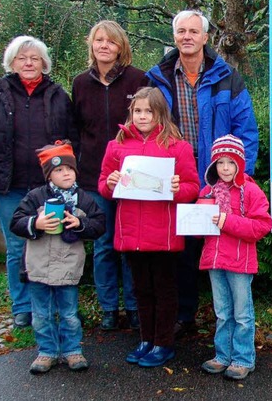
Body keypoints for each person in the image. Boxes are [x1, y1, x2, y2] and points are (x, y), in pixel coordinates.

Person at [146, 10, 259, 336]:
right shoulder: (158, 78)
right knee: (178, 246)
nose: (187, 36)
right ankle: (184, 314)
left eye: (194, 31)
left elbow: (247, 131)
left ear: (206, 37)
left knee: (216, 243)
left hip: (214, 177)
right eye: (181, 31)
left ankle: (225, 316)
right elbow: (144, 125)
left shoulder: (227, 77)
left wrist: (241, 178)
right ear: (174, 36)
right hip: (173, 175)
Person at [98, 87, 199, 368]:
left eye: (149, 111)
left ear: (160, 114)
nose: (143, 117)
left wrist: (178, 189)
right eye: (138, 111)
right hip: (131, 231)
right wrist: (108, 184)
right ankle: (146, 339)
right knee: (140, 289)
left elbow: (192, 187)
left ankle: (163, 343)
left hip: (164, 232)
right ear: (131, 113)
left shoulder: (178, 146)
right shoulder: (117, 145)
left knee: (165, 289)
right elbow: (104, 183)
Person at [0, 36, 79, 329]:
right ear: (11, 62)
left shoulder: (57, 95)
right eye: (22, 58)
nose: (28, 63)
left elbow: (71, 135)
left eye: (34, 58)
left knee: (51, 241)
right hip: (7, 184)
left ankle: (50, 302)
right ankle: (23, 307)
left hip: (47, 186)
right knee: (17, 245)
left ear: (44, 63)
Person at [72, 20, 148, 331]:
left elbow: (148, 123)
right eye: (98, 40)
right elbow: (75, 130)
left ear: (121, 47)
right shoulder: (79, 83)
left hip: (132, 176)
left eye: (111, 41)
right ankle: (108, 308)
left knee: (129, 243)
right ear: (91, 45)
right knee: (103, 245)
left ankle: (133, 306)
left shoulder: (137, 79)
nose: (104, 45)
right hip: (94, 177)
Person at [9, 140, 105, 374]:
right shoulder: (35, 197)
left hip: (68, 268)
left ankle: (72, 350)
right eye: (59, 170)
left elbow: (99, 224)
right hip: (38, 267)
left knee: (70, 314)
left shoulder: (82, 199)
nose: (66, 173)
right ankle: (47, 351)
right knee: (41, 314)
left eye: (70, 169)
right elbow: (16, 223)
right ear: (48, 176)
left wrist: (80, 223)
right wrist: (36, 222)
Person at [198, 135, 272, 380]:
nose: (226, 168)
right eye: (220, 163)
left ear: (240, 163)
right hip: (214, 260)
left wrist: (226, 221)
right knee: (222, 312)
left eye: (231, 162)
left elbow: (261, 226)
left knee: (242, 314)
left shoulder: (250, 191)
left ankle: (242, 359)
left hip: (240, 262)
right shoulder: (207, 191)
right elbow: (197, 224)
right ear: (213, 166)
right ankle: (222, 356)